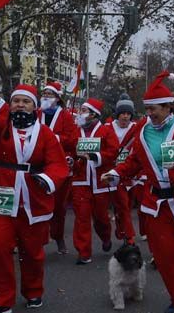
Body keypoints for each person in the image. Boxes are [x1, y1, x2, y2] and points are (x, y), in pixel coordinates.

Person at [104, 72, 174, 313]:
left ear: (168, 107)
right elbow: (134, 161)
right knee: (165, 257)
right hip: (156, 204)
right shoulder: (143, 131)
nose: (149, 114)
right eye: (146, 109)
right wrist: (115, 173)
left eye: (154, 109)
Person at [0, 83, 69, 313]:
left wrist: (47, 179)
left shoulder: (46, 134)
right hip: (2, 194)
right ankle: (2, 300)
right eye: (16, 101)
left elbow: (58, 164)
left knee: (32, 252)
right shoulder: (1, 126)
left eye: (26, 101)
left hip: (33, 198)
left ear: (34, 106)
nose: (20, 105)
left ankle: (33, 290)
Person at [69, 98, 120, 265]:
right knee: (82, 217)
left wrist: (95, 157)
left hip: (100, 182)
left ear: (93, 114)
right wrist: (70, 160)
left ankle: (106, 237)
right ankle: (83, 253)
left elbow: (113, 152)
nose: (80, 113)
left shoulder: (106, 131)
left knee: (101, 218)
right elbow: (68, 149)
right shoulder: (75, 132)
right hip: (80, 181)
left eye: (83, 110)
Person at [38, 80, 79, 254]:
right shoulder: (35, 113)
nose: (46, 97)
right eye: (44, 94)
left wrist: (54, 138)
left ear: (57, 98)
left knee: (58, 206)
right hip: (38, 164)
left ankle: (59, 236)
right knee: (36, 203)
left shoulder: (65, 116)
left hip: (59, 164)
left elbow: (73, 139)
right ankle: (36, 239)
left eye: (50, 94)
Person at [109, 96, 140, 244]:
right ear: (118, 114)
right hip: (115, 172)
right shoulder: (108, 128)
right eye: (123, 113)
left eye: (128, 113)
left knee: (127, 204)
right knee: (121, 205)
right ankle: (129, 237)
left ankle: (121, 229)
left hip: (132, 171)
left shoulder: (136, 129)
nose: (125, 116)